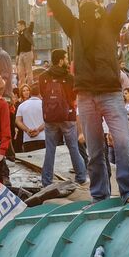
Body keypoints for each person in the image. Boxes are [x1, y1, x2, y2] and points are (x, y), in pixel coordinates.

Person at [40, 0, 129, 203]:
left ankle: (127, 191)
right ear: (78, 4)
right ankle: (99, 195)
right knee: (95, 151)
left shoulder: (111, 22)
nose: (87, 0)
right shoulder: (73, 27)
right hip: (85, 95)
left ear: (99, 1)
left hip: (110, 93)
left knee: (123, 144)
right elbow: (58, 6)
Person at [37, 50, 88, 186]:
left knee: (50, 149)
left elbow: (42, 93)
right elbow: (73, 96)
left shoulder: (43, 76)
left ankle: (47, 180)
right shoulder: (70, 77)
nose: (67, 60)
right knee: (73, 147)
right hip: (68, 117)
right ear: (60, 60)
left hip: (50, 118)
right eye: (65, 58)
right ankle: (81, 176)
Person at [14, 83, 45, 154]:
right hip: (43, 138)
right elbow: (48, 120)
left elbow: (18, 121)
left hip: (28, 139)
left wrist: (27, 130)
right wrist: (38, 130)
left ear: (30, 92)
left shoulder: (22, 105)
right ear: (40, 93)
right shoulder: (44, 104)